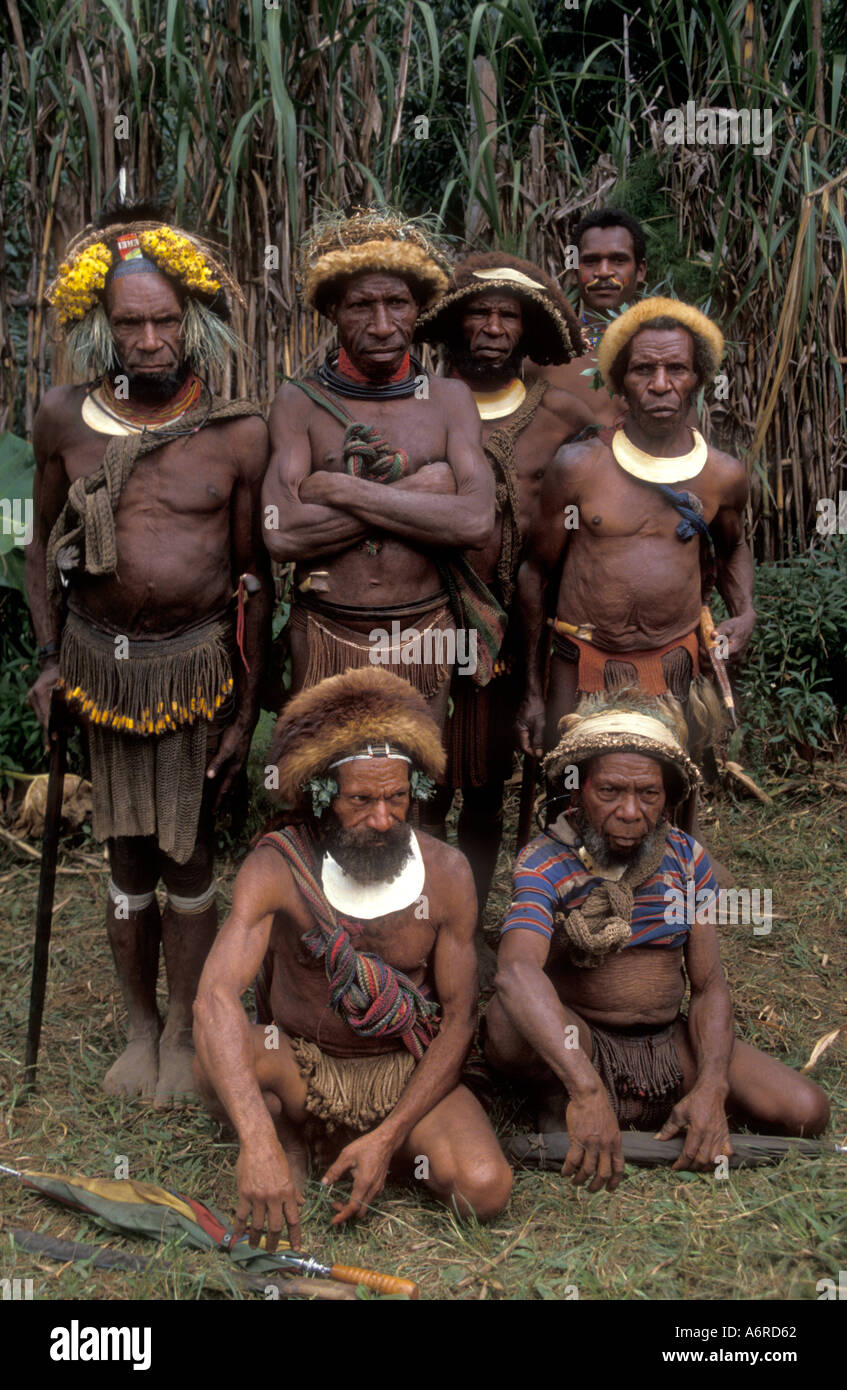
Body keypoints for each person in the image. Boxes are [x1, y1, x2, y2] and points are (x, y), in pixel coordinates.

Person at [25, 206, 271, 1102]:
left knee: (189, 855)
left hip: (194, 671)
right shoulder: (63, 419)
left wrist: (245, 711)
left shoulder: (237, 432)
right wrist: (50, 660)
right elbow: (41, 549)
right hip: (99, 667)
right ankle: (138, 1024)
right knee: (125, 857)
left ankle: (182, 1027)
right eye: (130, 323)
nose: (150, 339)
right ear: (102, 327)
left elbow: (253, 578)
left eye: (165, 320)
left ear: (193, 322)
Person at [193, 667, 512, 1248]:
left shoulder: (446, 873)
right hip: (303, 1065)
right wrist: (257, 1143)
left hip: (405, 1070)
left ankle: (370, 1150)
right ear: (322, 796)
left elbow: (461, 1017)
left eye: (396, 797)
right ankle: (287, 1140)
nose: (384, 819)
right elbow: (214, 996)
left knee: (483, 1186)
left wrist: (391, 1134)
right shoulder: (278, 867)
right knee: (217, 1054)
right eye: (360, 800)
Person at [485, 694, 830, 1192]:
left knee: (806, 1110)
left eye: (647, 793)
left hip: (669, 1044)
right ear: (579, 789)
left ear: (666, 795)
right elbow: (516, 971)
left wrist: (713, 1085)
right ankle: (568, 1095)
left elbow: (709, 984)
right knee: (506, 1018)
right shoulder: (547, 860)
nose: (630, 811)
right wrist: (586, 1088)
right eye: (610, 791)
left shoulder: (687, 859)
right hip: (581, 1042)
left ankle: (663, 1102)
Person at [262, 208, 497, 731]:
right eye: (361, 306)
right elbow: (280, 534)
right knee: (324, 784)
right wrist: (423, 491)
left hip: (424, 631)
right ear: (331, 311)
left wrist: (338, 489)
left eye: (397, 304)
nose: (384, 326)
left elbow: (476, 523)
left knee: (414, 784)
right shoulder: (299, 402)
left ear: (419, 308)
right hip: (325, 630)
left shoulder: (450, 398)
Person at [415, 252, 591, 919]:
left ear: (526, 330)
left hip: (512, 632)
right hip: (423, 620)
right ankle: (422, 921)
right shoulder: (415, 402)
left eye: (506, 316)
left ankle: (469, 915)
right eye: (478, 314)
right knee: (422, 780)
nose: (490, 328)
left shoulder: (562, 418)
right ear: (456, 326)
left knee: (486, 785)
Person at [517, 298, 755, 770]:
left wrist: (745, 613)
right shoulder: (578, 468)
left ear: (698, 380)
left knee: (666, 796)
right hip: (579, 662)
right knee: (569, 796)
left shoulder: (723, 477)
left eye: (677, 369)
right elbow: (535, 572)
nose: (660, 385)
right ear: (620, 381)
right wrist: (533, 692)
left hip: (673, 667)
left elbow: (733, 549)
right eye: (643, 369)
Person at [530, 207, 647, 425]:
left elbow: (690, 447)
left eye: (618, 260)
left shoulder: (668, 353)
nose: (603, 272)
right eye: (591, 261)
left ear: (640, 271)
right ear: (574, 272)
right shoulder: (542, 356)